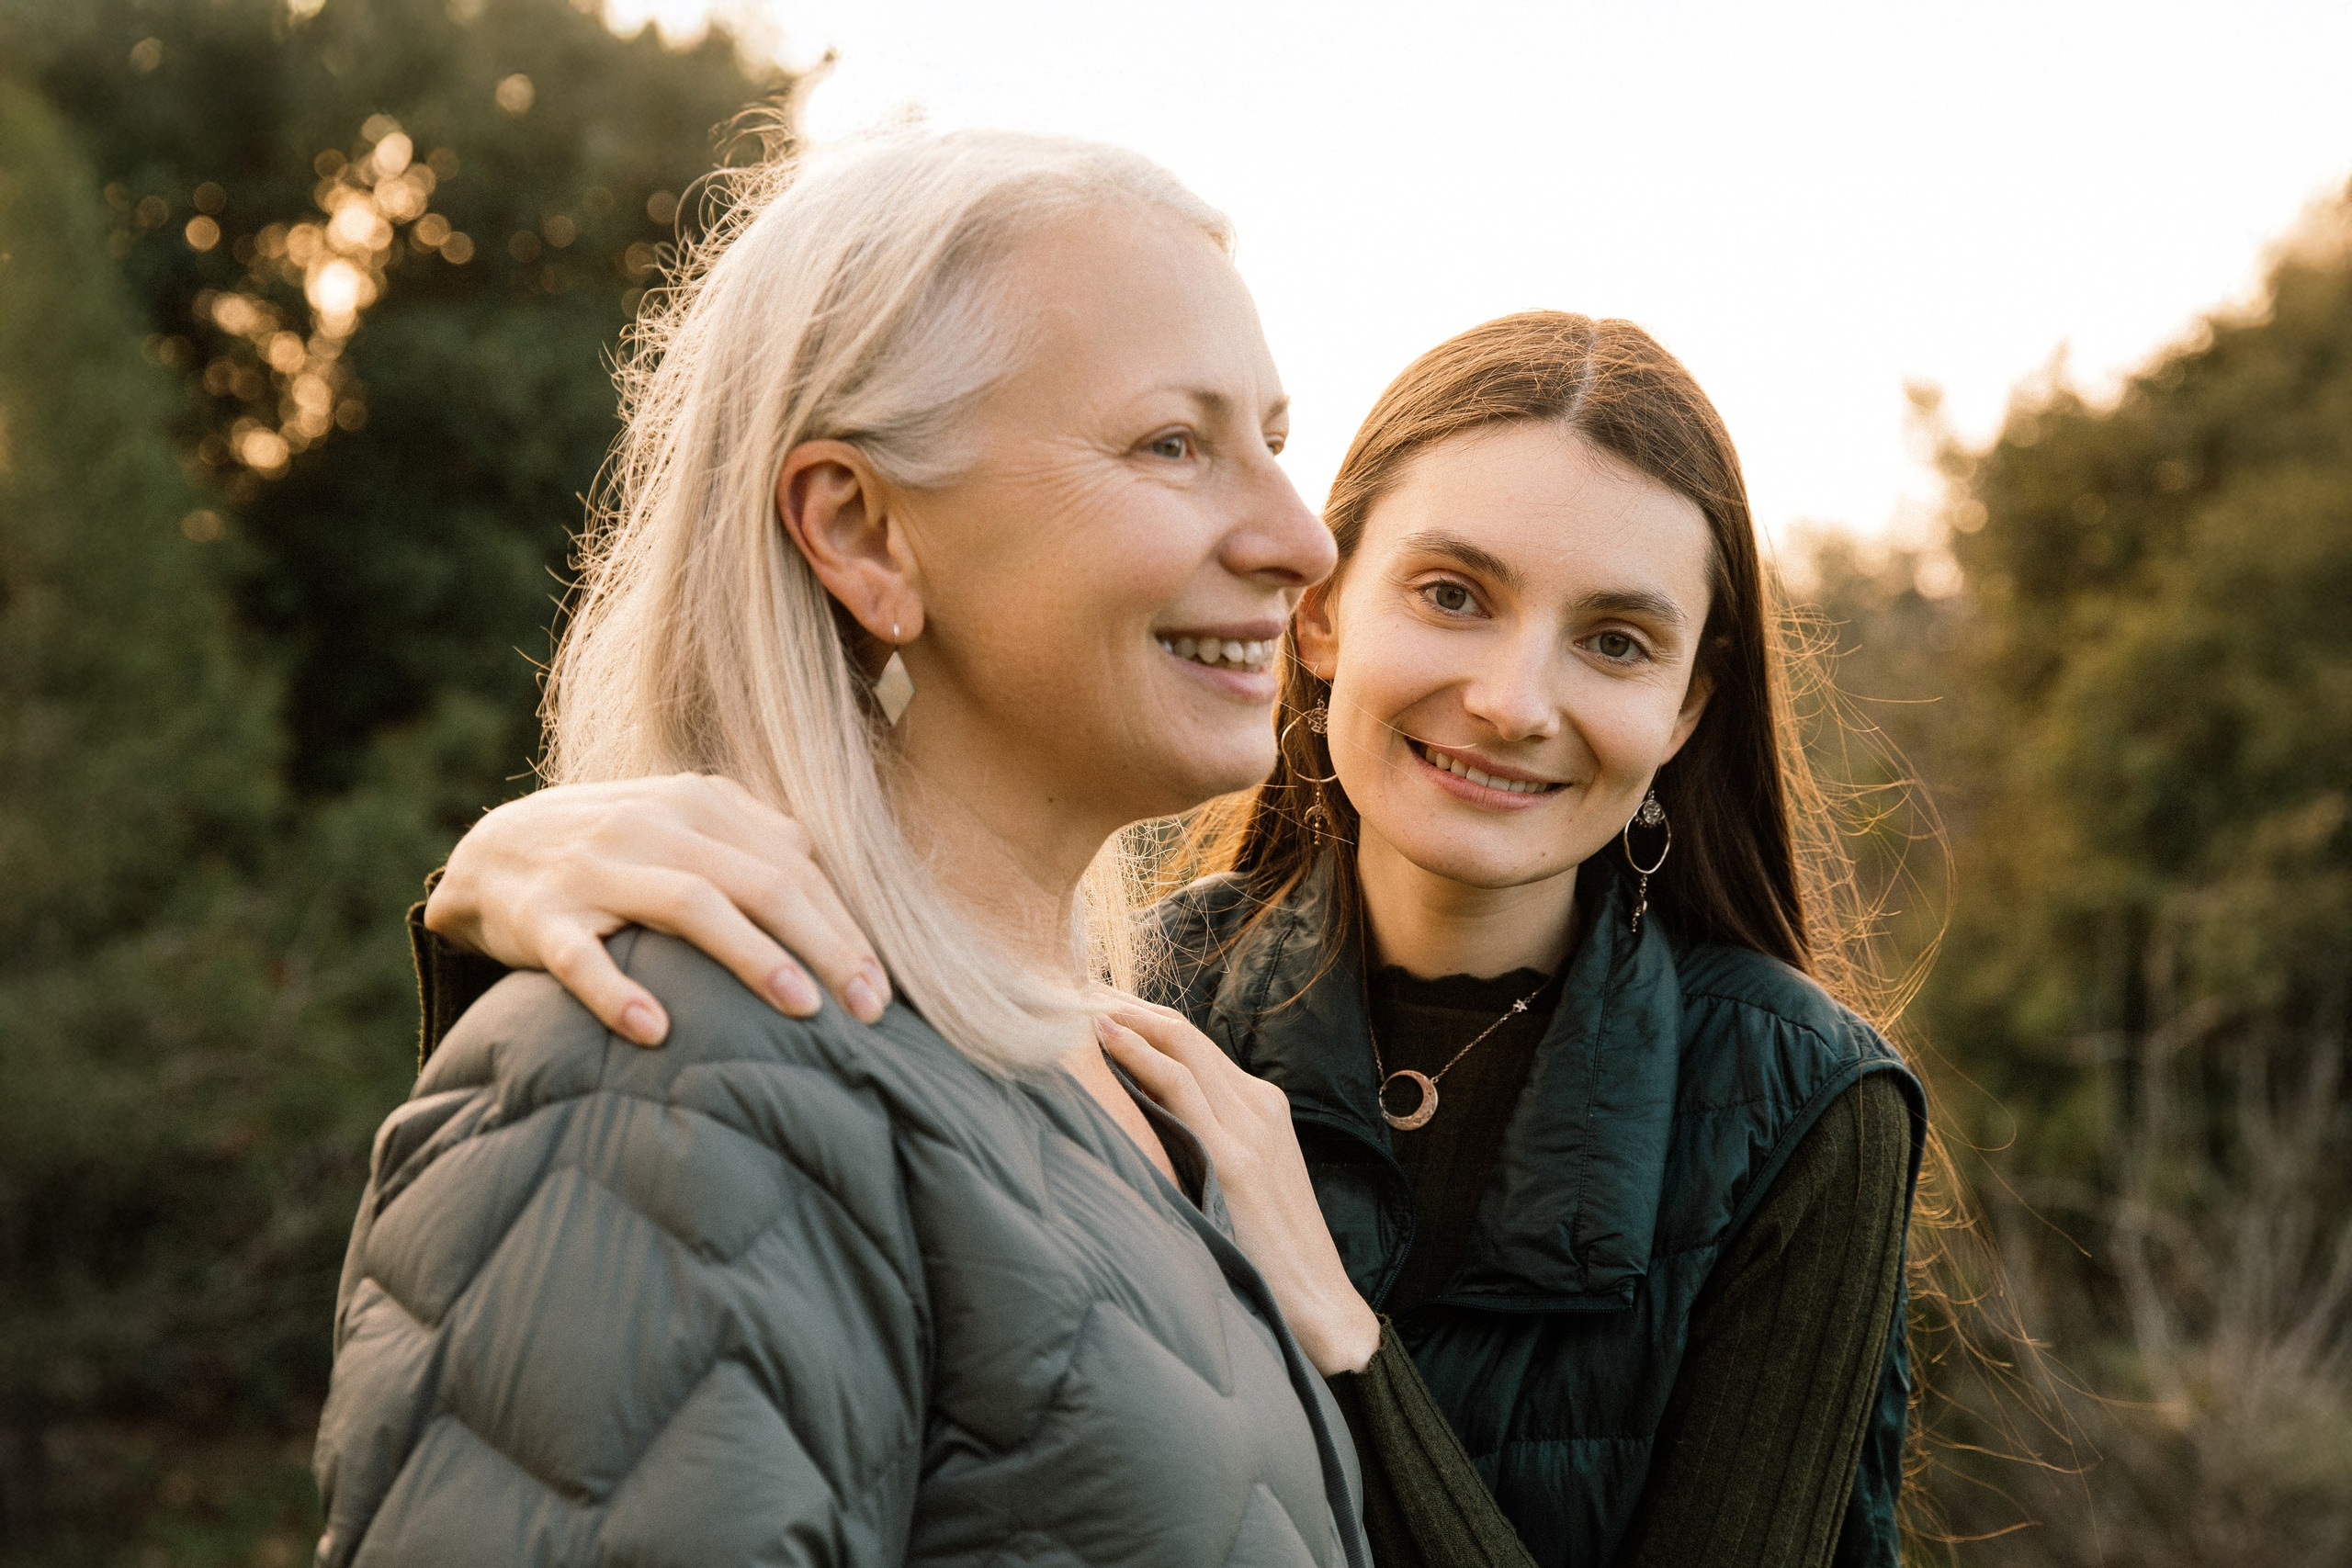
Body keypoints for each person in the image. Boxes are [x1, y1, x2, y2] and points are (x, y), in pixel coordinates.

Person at [413, 311, 1929, 1568]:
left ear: (1688, 705)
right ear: (1321, 614)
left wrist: (1336, 1332)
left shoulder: (1804, 1110)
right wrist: (508, 925)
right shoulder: (1106, 984)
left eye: (1614, 640)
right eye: (1454, 595)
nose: (1517, 699)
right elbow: (664, 1301)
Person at [312, 128, 1394, 1568]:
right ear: (863, 531)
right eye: (1172, 444)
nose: (1300, 539)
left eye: (1270, 436)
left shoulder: (1129, 1082)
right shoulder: (674, 1066)